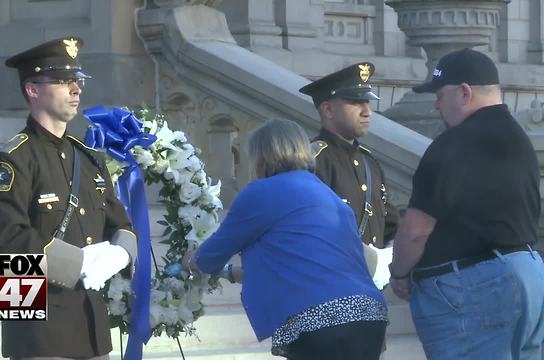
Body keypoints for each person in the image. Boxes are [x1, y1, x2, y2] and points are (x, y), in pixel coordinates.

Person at [0, 36, 138, 360]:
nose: (76, 89)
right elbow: (6, 241)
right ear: (33, 90)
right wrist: (79, 264)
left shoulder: (89, 159)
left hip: (90, 320)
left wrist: (121, 255)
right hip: (36, 327)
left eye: (77, 80)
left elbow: (121, 224)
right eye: (63, 81)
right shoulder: (12, 160)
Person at [184, 119, 387, 359]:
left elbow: (209, 257)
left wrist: (190, 260)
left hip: (320, 322)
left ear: (260, 156)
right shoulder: (327, 194)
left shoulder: (261, 193)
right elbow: (297, 268)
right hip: (369, 316)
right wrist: (228, 273)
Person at [388, 48, 544, 359]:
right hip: (528, 273)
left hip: (475, 285)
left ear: (464, 92)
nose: (435, 104)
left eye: (439, 94)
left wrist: (400, 273)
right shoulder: (519, 140)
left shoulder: (454, 143)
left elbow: (415, 230)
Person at [299, 63, 399, 251]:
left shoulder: (369, 163)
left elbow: (390, 225)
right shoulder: (313, 162)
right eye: (356, 102)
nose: (367, 111)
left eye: (367, 102)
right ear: (328, 110)